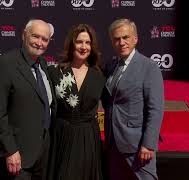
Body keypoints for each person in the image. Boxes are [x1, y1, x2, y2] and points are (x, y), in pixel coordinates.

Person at [0, 19, 56, 180]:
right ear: (24, 35)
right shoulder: (5, 63)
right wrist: (10, 150)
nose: (40, 43)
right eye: (36, 36)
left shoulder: (44, 65)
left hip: (42, 154)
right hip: (17, 157)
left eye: (45, 39)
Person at [102, 18, 164, 180]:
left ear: (135, 39)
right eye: (116, 39)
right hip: (113, 144)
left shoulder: (149, 67)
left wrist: (148, 144)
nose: (121, 42)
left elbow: (155, 110)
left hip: (137, 146)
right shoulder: (111, 65)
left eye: (126, 37)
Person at [47, 24, 105, 180]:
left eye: (87, 43)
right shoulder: (55, 72)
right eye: (79, 42)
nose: (83, 46)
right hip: (62, 136)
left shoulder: (100, 74)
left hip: (88, 137)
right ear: (71, 44)